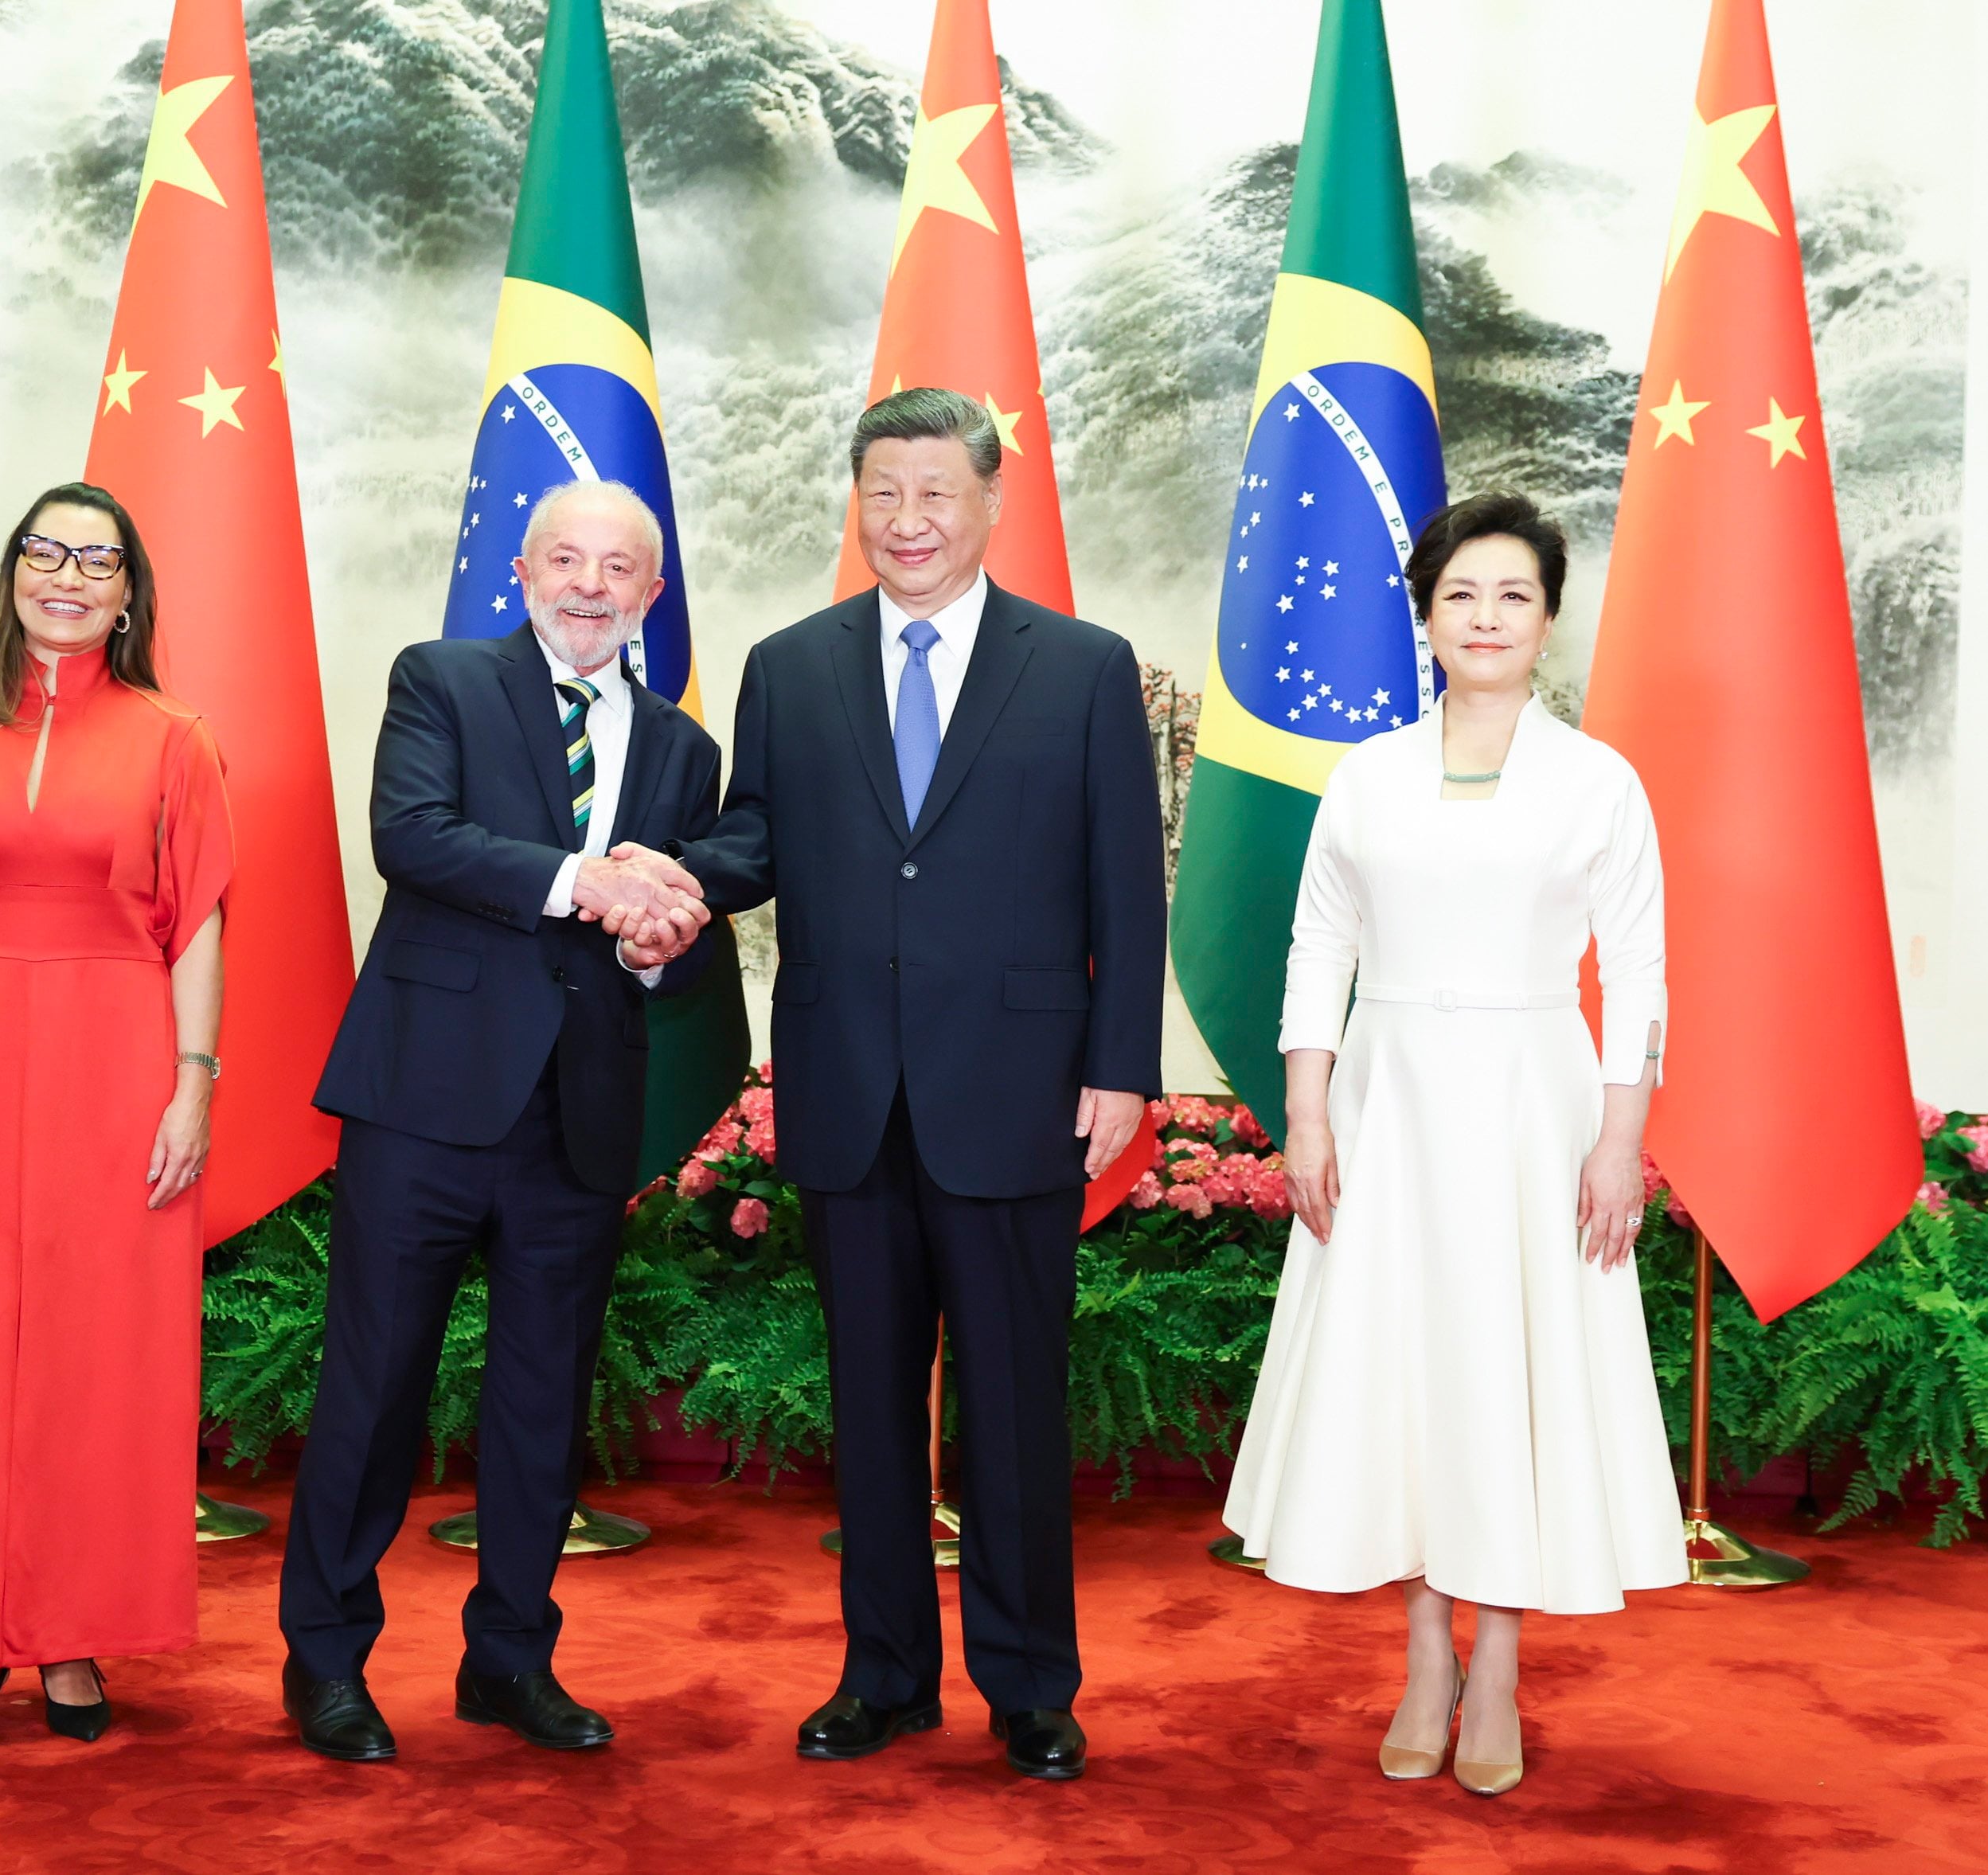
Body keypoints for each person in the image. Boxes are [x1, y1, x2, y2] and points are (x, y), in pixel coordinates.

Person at [627, 387, 1166, 1781]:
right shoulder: (791, 664)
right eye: (882, 493)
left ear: (989, 503)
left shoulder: (1084, 665)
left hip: (1023, 1088)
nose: (907, 521)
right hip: (848, 1087)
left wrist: (1121, 1067)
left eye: (934, 493)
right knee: (869, 1405)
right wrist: (664, 883)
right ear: (854, 503)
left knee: (1012, 1405)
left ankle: (1030, 1685)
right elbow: (755, 836)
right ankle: (882, 1677)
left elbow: (1126, 877)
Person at [1221, 491, 1685, 1797]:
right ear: (1424, 616)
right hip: (1386, 1108)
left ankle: (1497, 1669)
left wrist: (1617, 1140)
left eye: (1512, 597)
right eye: (1460, 596)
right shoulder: (1366, 775)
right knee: (1410, 1379)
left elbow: (1637, 975)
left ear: (1546, 620)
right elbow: (1321, 946)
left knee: (1507, 1376)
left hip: (1537, 1113)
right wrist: (1308, 1112)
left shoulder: (1598, 780)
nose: (1485, 619)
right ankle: (1426, 1653)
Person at [277, 480, 720, 1762]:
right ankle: (326, 1665)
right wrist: (591, 882)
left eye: (618, 568)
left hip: (576, 1119)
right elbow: (411, 838)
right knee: (372, 1389)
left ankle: (510, 1662)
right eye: (566, 559)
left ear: (651, 593)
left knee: (541, 1401)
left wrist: (658, 936)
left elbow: (681, 949)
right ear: (522, 569)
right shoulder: (443, 681)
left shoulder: (685, 753)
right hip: (424, 1100)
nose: (589, 585)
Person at [0, 481, 233, 1763]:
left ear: (130, 592)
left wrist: (193, 1081)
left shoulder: (173, 737)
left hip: (121, 1060)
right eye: (46, 553)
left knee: (96, 1360)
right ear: (13, 574)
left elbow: (197, 925)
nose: (67, 576)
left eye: (97, 560)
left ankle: (72, 1630)